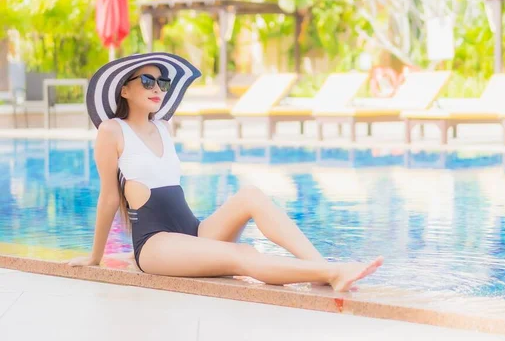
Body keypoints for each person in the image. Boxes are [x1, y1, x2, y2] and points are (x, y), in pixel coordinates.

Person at [68, 53, 383, 292]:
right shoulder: (112, 131)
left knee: (251, 195)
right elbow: (109, 198)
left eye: (161, 83)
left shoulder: (163, 126)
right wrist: (95, 258)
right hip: (155, 244)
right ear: (124, 90)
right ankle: (330, 273)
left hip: (192, 231)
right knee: (241, 253)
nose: (157, 89)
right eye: (147, 82)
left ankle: (319, 267)